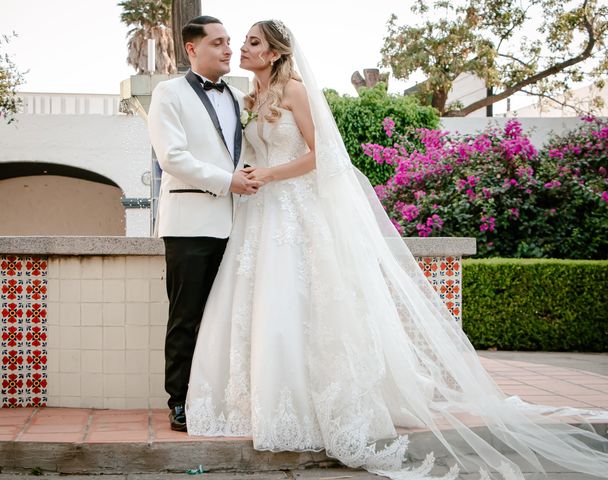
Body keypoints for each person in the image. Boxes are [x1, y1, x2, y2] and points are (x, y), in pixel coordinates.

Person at [185, 20, 608, 479]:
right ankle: (258, 400)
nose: (241, 49)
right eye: (240, 42)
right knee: (263, 306)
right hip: (260, 214)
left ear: (273, 53)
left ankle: (315, 404)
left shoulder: (296, 92)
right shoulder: (250, 98)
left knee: (301, 303)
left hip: (294, 211)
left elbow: (319, 156)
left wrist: (268, 175)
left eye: (252, 43)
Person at [147, 15, 262, 432]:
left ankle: (215, 397)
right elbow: (172, 158)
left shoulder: (236, 96)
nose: (228, 49)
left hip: (236, 224)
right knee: (187, 316)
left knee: (227, 317)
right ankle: (178, 401)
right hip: (189, 223)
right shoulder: (168, 93)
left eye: (229, 41)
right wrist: (227, 181)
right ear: (192, 49)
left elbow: (238, 154)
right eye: (217, 42)